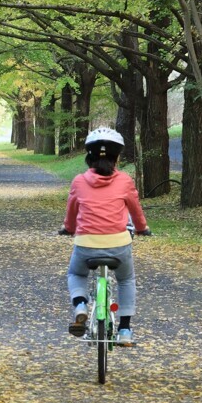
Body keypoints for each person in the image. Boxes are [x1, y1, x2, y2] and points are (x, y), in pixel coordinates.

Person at [59, 127, 151, 347]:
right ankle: (126, 330)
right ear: (116, 157)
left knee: (76, 274)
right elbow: (136, 211)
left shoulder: (79, 181)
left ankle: (80, 305)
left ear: (88, 156)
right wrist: (142, 228)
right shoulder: (125, 181)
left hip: (86, 245)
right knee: (126, 280)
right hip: (118, 245)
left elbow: (71, 214)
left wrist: (68, 228)